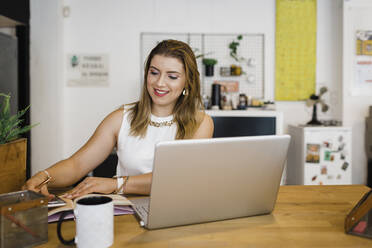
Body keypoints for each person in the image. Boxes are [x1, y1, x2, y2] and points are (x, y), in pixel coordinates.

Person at [23, 40, 214, 199]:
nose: (159, 82)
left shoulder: (201, 123)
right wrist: (44, 176)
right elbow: (77, 164)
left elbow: (179, 178)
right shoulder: (121, 118)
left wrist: (116, 183)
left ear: (187, 82)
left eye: (172, 76)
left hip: (177, 211)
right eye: (154, 72)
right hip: (126, 212)